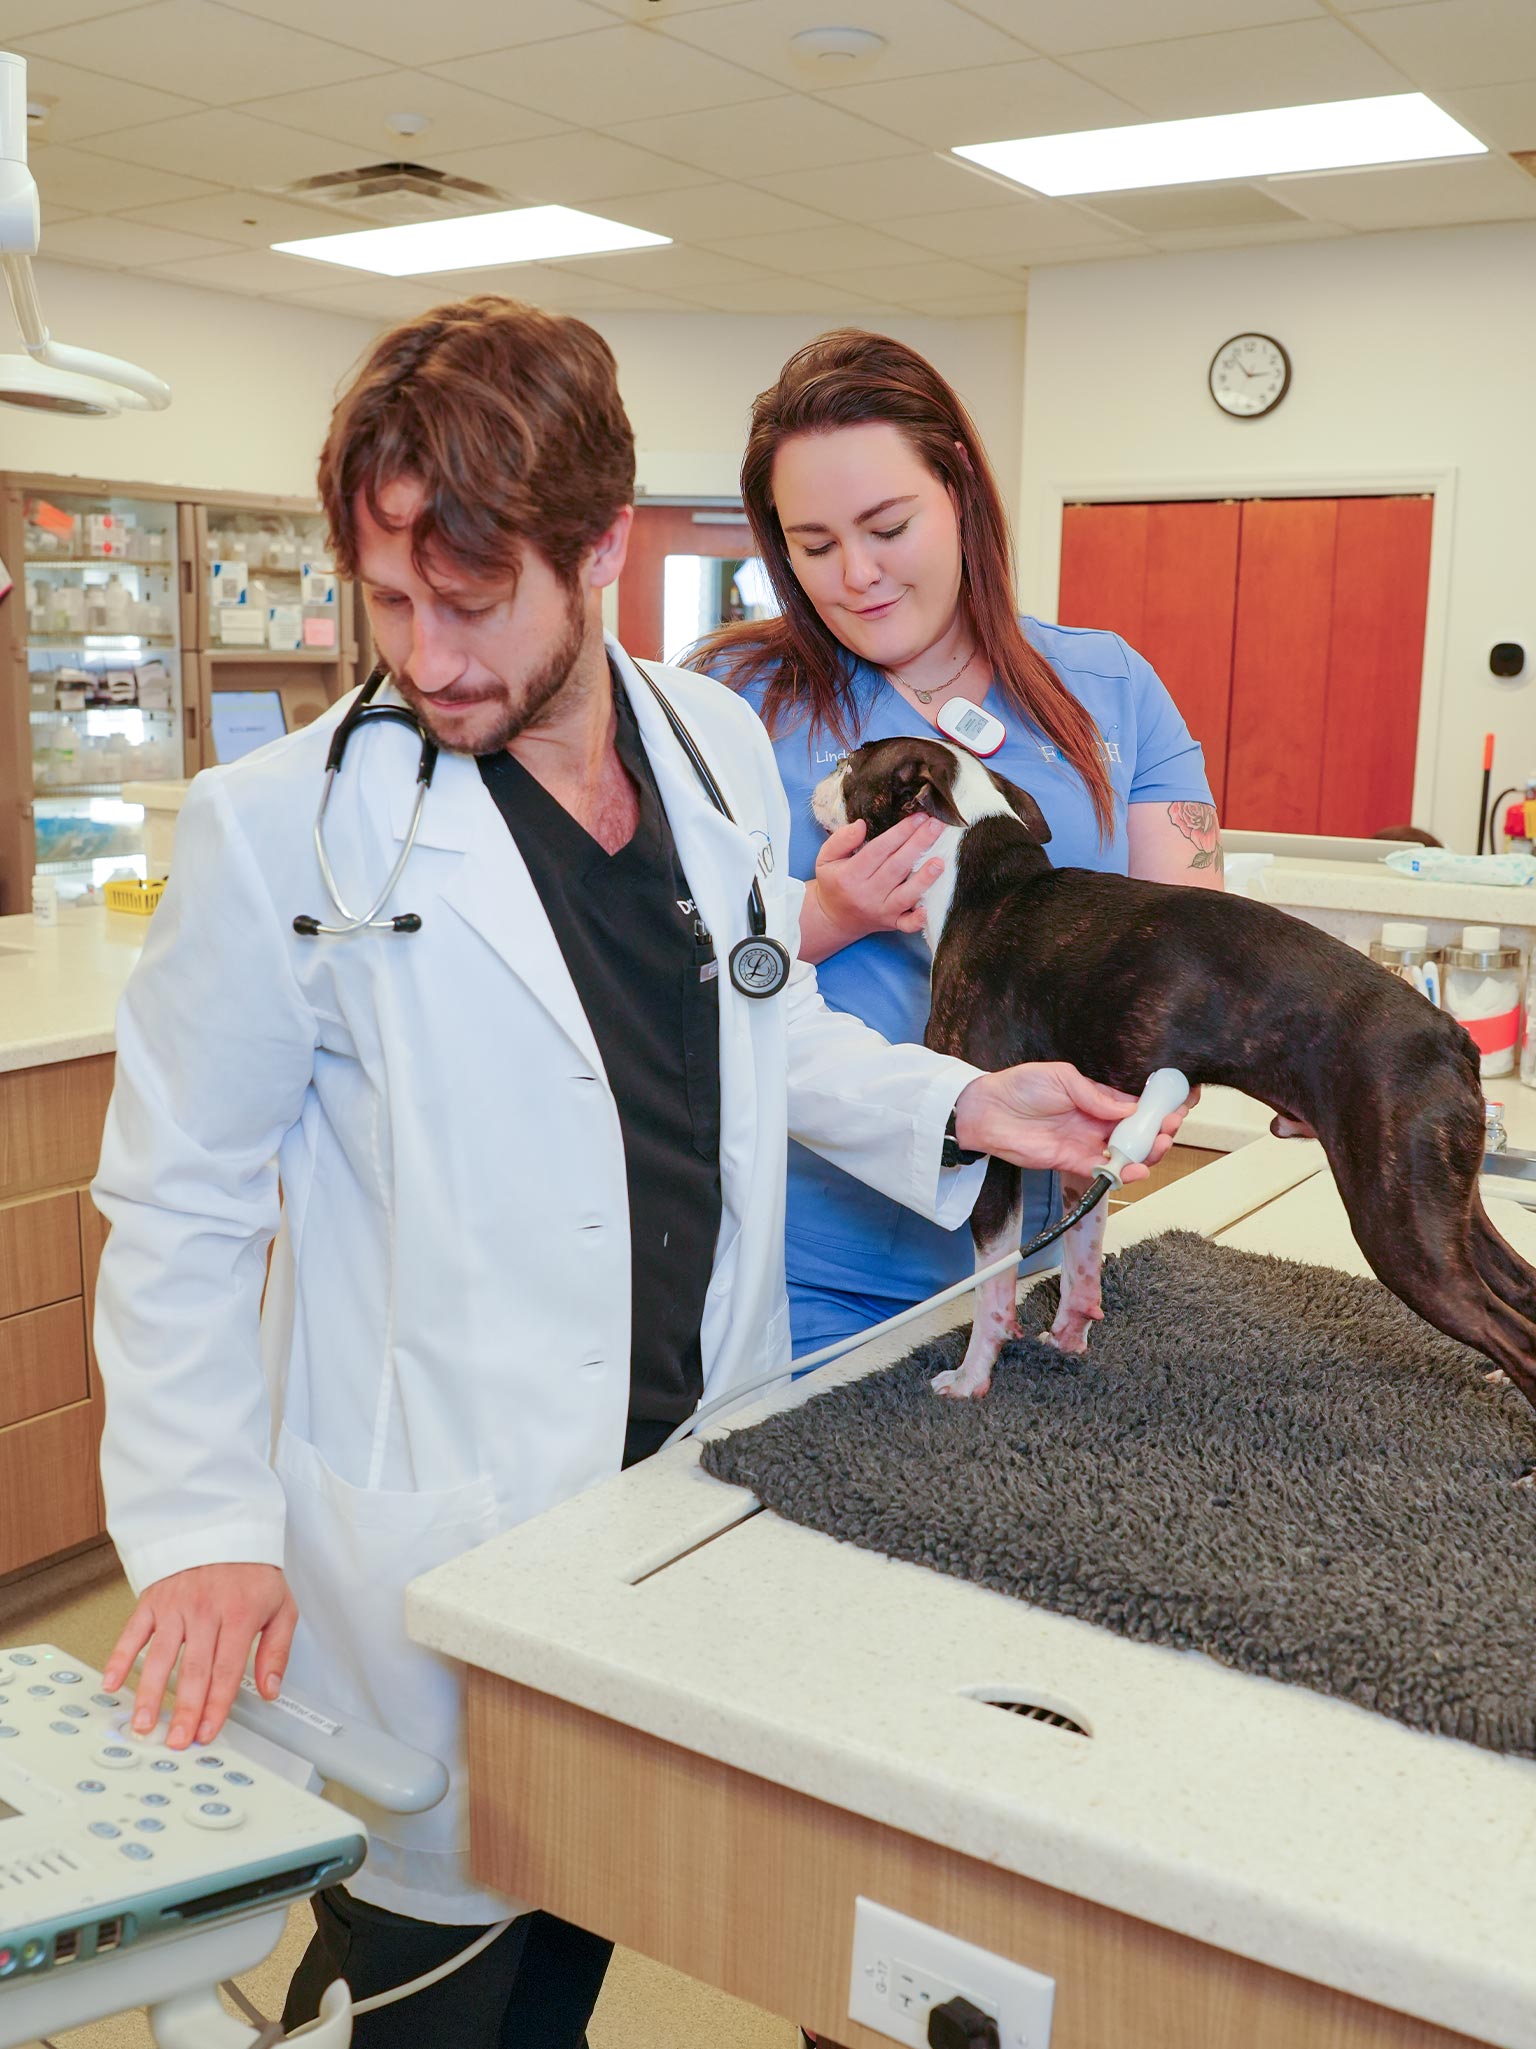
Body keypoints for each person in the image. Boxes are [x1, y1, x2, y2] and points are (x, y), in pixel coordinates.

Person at [89, 297, 1184, 2048]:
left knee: (598, 1916)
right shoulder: (283, 827)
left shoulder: (714, 746)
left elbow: (750, 1025)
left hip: (669, 1507)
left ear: (600, 547)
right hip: (440, 1530)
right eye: (390, 603)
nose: (428, 656)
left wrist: (957, 1109)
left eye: (475, 600)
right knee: (434, 1986)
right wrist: (207, 1529)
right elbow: (180, 1204)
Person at [693, 329, 1223, 1358]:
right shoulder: (731, 705)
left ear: (963, 496)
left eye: (889, 526)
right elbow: (677, 971)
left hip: (1042, 1262)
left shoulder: (1107, 689)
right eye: (812, 544)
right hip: (804, 1274)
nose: (855, 575)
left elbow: (1188, 945)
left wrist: (1252, 1054)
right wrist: (823, 919)